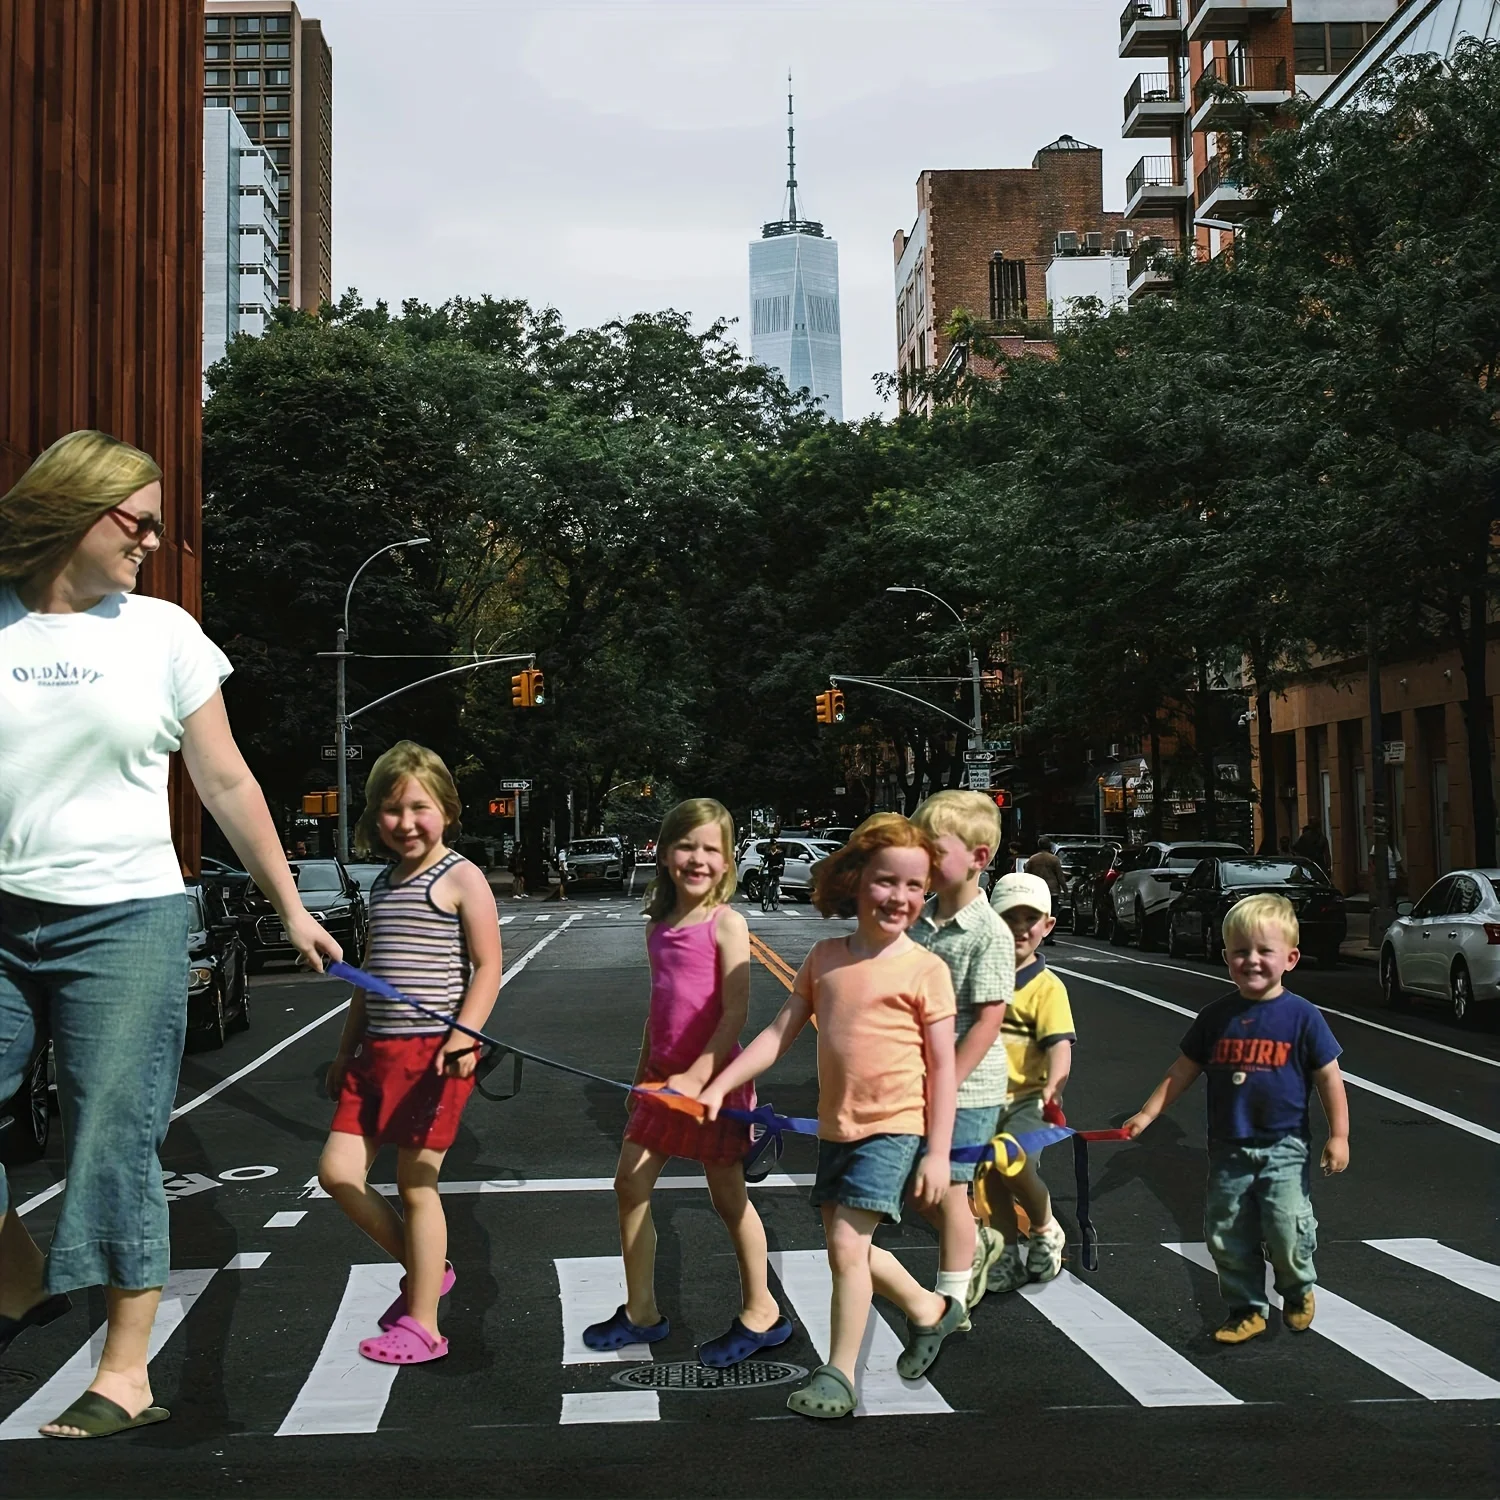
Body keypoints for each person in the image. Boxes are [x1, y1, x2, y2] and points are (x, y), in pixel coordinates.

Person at [0, 431, 341, 1438]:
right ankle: (22, 1279)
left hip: (127, 917)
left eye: (156, 523)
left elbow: (225, 778)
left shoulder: (162, 635)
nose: (153, 540)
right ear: (73, 512)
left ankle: (127, 1370)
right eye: (137, 522)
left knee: (114, 1132)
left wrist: (288, 904)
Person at [699, 813, 964, 1420]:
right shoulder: (824, 958)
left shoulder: (927, 970)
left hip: (894, 1129)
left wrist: (940, 1151)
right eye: (885, 881)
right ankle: (929, 1310)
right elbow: (777, 1034)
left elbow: (945, 1070)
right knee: (850, 1247)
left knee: (846, 1245)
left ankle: (838, 1375)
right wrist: (722, 1084)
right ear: (855, 879)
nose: (899, 897)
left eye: (914, 886)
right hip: (836, 1128)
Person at [582, 799, 789, 1368]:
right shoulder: (658, 925)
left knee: (729, 1199)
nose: (697, 858)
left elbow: (734, 1013)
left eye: (711, 849)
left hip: (716, 1087)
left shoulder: (728, 924)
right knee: (629, 1185)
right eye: (686, 846)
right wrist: (640, 1074)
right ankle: (642, 1312)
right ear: (666, 853)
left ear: (726, 862)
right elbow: (661, 1010)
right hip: (661, 1085)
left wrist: (701, 1076)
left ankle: (761, 1311)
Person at [318, 742, 501, 1365]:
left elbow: (487, 966)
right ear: (376, 818)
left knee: (417, 1183)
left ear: (446, 809)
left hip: (436, 1058)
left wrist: (466, 1034)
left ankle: (424, 1322)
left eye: (420, 807)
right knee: (338, 1174)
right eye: (392, 810)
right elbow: (370, 979)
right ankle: (429, 1268)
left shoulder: (461, 876)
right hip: (375, 1057)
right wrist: (346, 1051)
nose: (406, 821)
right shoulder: (382, 882)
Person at [1124, 893, 1349, 1344]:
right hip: (1228, 1147)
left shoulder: (1302, 1017)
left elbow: (1329, 1078)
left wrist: (1338, 1135)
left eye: (1264, 951)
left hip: (1284, 1145)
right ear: (1226, 957)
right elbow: (1182, 1071)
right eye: (1240, 951)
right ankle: (1247, 1307)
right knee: (1225, 1229)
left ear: (1291, 958)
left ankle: (1297, 1285)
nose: (1252, 960)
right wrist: (1148, 1113)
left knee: (1285, 1223)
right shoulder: (1215, 1017)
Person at [908, 792, 1016, 1319]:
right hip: (917, 1080)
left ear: (979, 858)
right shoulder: (917, 919)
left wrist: (945, 1082)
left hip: (967, 1086)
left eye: (934, 850)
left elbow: (988, 1021)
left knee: (946, 1186)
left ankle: (951, 1298)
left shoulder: (989, 931)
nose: (922, 860)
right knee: (916, 1193)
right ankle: (976, 1242)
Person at [979, 873, 1076, 1295]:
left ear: (1047, 926)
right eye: (1008, 917)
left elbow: (1060, 1046)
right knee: (988, 1179)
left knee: (1013, 1166)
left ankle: (1044, 1226)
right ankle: (1003, 1254)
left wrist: (1055, 1086)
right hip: (980, 1098)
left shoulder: (1047, 987)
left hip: (1029, 1100)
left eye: (1030, 918)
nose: (1020, 927)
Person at [1024, 839, 1066, 946]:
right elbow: (1060, 876)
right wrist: (1065, 889)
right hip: (1052, 890)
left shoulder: (1033, 859)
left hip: (1036, 889)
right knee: (1052, 913)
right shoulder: (1054, 859)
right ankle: (1049, 936)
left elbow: (1026, 874)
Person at [762, 837, 787, 911]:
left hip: (777, 869)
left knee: (776, 879)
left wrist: (781, 865)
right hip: (770, 868)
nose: (773, 847)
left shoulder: (780, 853)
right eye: (772, 845)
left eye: (774, 845)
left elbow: (782, 861)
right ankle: (766, 895)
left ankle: (777, 890)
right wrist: (763, 865)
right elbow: (765, 860)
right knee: (767, 880)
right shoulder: (768, 853)